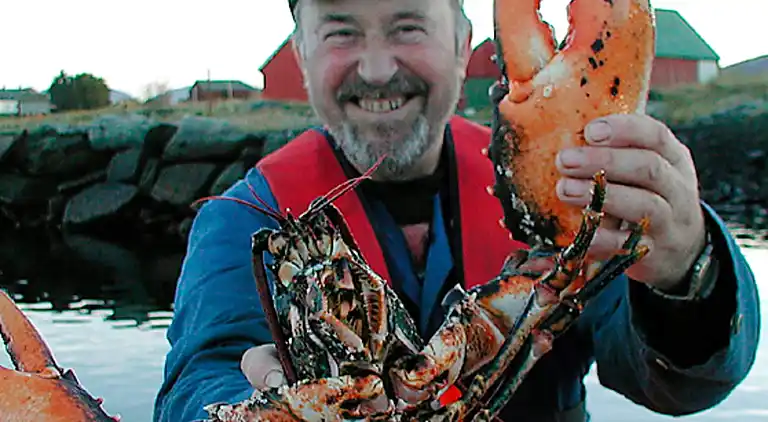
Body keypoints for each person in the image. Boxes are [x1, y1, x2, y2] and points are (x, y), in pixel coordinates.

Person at [153, 0, 761, 421]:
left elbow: (672, 380)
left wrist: (690, 273)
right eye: (340, 31)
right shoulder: (246, 218)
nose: (376, 68)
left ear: (463, 44)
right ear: (302, 55)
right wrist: (246, 404)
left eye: (409, 26)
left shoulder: (556, 188)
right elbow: (201, 375)